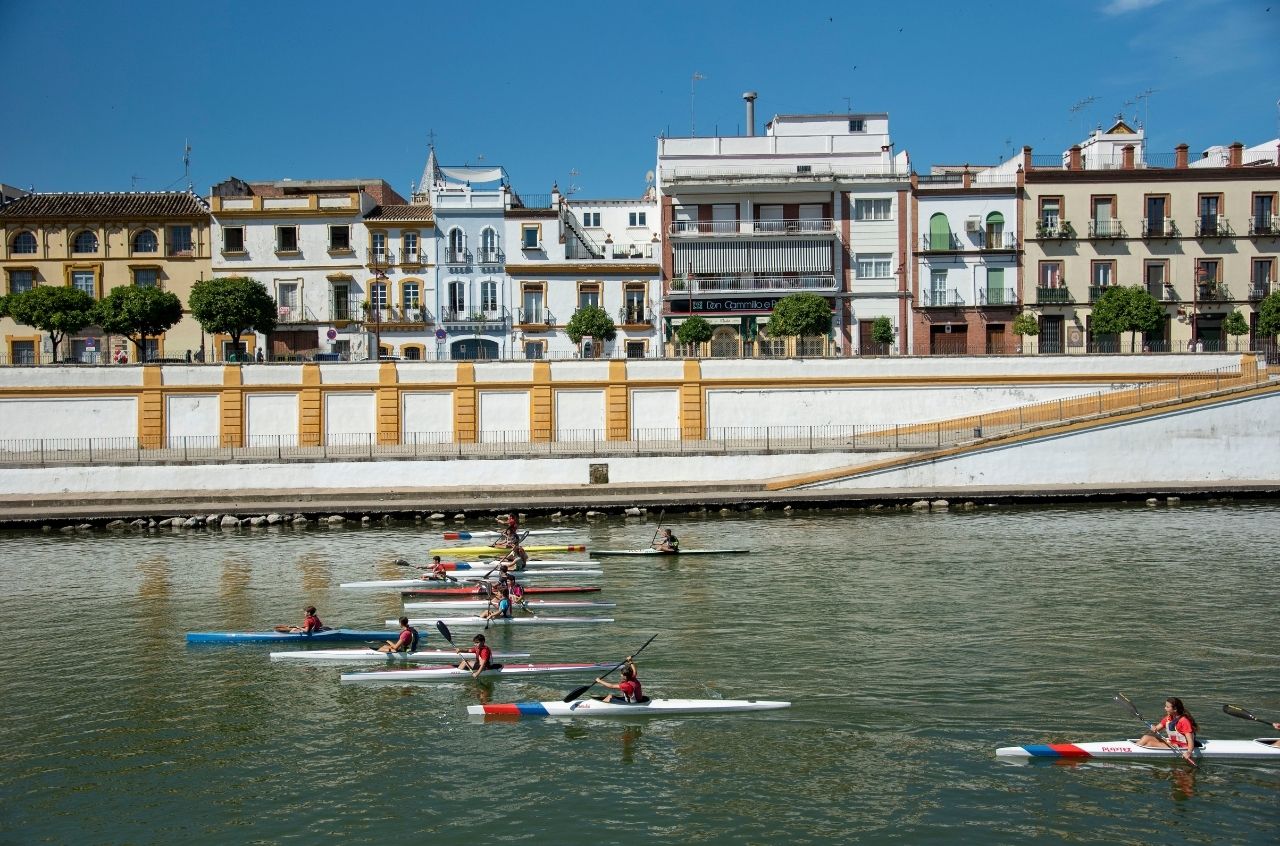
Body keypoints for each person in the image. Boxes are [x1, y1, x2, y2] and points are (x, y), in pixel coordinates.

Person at [1135, 697, 1199, 763]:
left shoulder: (1184, 721)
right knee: (1146, 737)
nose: (1165, 708)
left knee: (1149, 743)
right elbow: (1154, 730)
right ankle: (1134, 749)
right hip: (1172, 744)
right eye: (1165, 706)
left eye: (1167, 707)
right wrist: (1153, 728)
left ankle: (1133, 753)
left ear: (1175, 709)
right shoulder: (1168, 718)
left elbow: (1190, 740)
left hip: (1181, 747)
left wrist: (1189, 752)